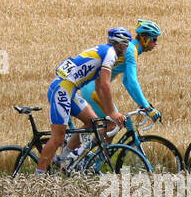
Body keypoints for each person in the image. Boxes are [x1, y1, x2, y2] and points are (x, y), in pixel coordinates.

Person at [65, 20, 163, 163]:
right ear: (144, 38)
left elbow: (127, 82)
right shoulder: (131, 50)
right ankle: (80, 158)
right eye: (154, 39)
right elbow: (132, 82)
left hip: (92, 87)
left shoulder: (131, 50)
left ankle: (93, 162)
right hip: (94, 89)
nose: (156, 43)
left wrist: (144, 103)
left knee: (113, 126)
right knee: (114, 124)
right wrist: (146, 107)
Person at [35, 28, 130, 172]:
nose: (127, 48)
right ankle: (38, 178)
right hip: (62, 89)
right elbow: (105, 85)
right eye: (127, 44)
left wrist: (109, 114)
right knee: (58, 138)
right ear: (122, 45)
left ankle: (62, 160)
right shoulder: (110, 53)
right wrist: (113, 113)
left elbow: (98, 89)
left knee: (93, 123)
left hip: (68, 90)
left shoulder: (105, 51)